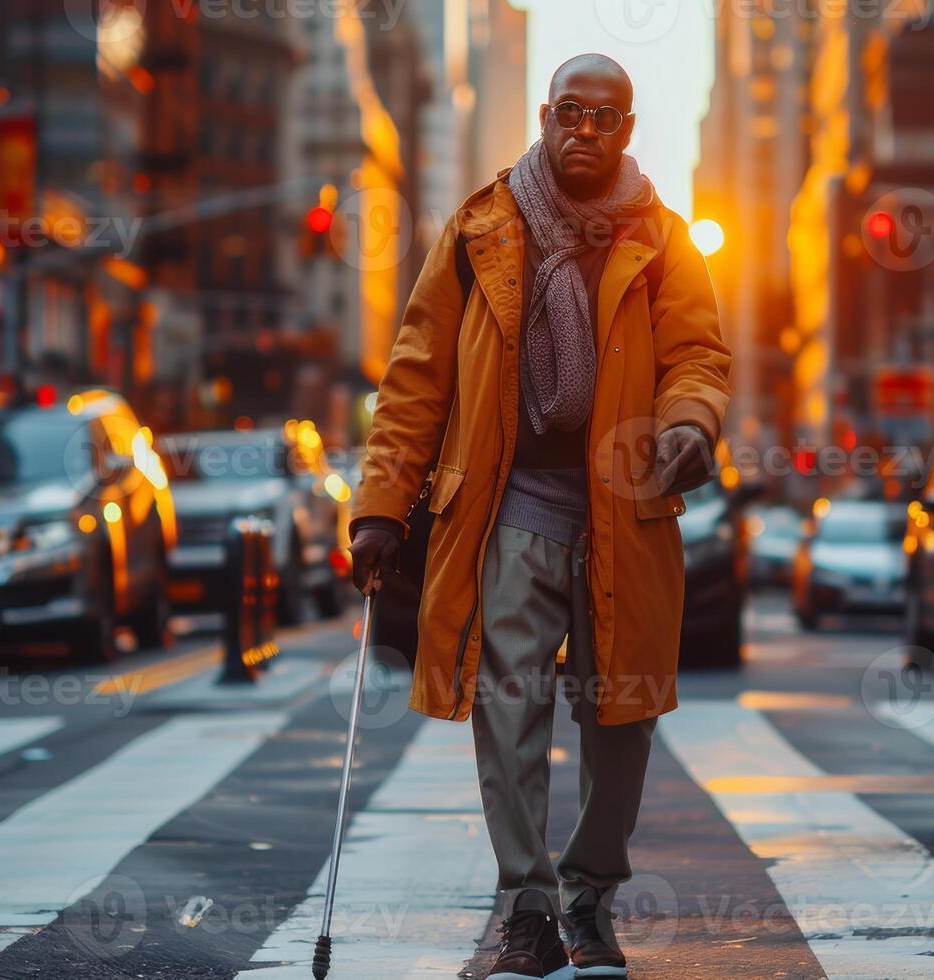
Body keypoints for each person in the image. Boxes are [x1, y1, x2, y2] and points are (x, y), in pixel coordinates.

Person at [348, 54, 731, 980]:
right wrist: (380, 506)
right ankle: (524, 911)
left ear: (629, 129)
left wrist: (687, 422)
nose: (584, 131)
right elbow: (415, 377)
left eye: (604, 117)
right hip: (509, 501)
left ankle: (588, 902)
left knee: (621, 713)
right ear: (545, 115)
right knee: (506, 700)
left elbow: (697, 355)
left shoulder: (665, 239)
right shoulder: (480, 228)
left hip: (625, 507)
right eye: (570, 112)